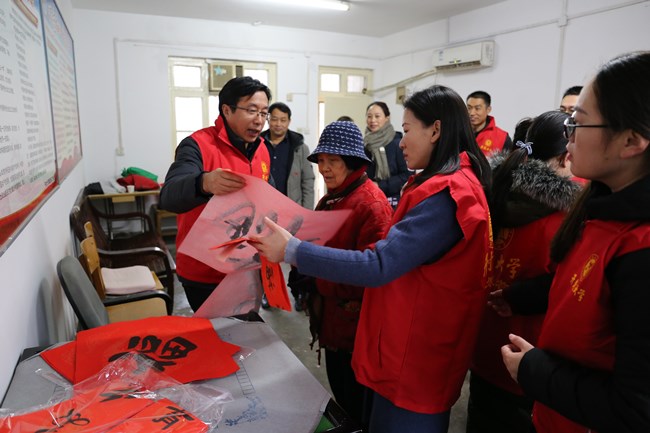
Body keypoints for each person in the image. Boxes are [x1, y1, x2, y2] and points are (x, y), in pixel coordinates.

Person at [252, 85, 493, 433]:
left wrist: (293, 251)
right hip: (404, 344)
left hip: (416, 355)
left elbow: (379, 264)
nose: (401, 143)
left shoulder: (447, 195)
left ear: (435, 130)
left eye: (406, 130)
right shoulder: (438, 185)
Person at [501, 51, 650, 433]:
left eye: (578, 122)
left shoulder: (640, 249)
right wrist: (519, 296)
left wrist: (534, 370)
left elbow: (635, 410)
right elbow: (581, 282)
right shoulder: (600, 206)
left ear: (631, 141)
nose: (568, 135)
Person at [467, 110, 582, 433]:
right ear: (564, 156)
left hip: (485, 343)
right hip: (527, 353)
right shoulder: (567, 215)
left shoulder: (492, 192)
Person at [296, 120, 393, 424]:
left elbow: (373, 274)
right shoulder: (332, 198)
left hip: (357, 330)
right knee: (342, 392)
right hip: (333, 323)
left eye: (333, 160)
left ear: (351, 162)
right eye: (321, 160)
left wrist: (316, 278)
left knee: (356, 403)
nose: (324, 168)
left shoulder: (371, 205)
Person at [159, 76, 272, 312]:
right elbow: (169, 196)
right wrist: (204, 183)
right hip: (205, 273)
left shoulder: (262, 148)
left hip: (247, 266)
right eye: (252, 111)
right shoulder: (197, 145)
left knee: (245, 329)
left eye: (264, 113)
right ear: (227, 110)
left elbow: (268, 195)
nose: (259, 120)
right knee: (218, 332)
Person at [261, 102, 315, 310]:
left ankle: (300, 293)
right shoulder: (258, 143)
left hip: (293, 211)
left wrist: (306, 212)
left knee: (297, 255)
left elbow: (307, 181)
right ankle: (269, 293)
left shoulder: (299, 146)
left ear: (289, 121)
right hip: (266, 212)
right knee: (266, 255)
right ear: (268, 119)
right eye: (274, 119)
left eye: (283, 120)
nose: (278, 124)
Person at [364, 101, 412, 207]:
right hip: (372, 200)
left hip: (394, 202)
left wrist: (380, 185)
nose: (372, 120)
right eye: (369, 116)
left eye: (377, 116)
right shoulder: (366, 145)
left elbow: (407, 176)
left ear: (387, 118)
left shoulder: (398, 143)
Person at [467, 90, 513, 155]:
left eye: (477, 108)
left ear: (488, 109)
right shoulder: (457, 133)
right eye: (469, 108)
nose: (472, 113)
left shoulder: (502, 137)